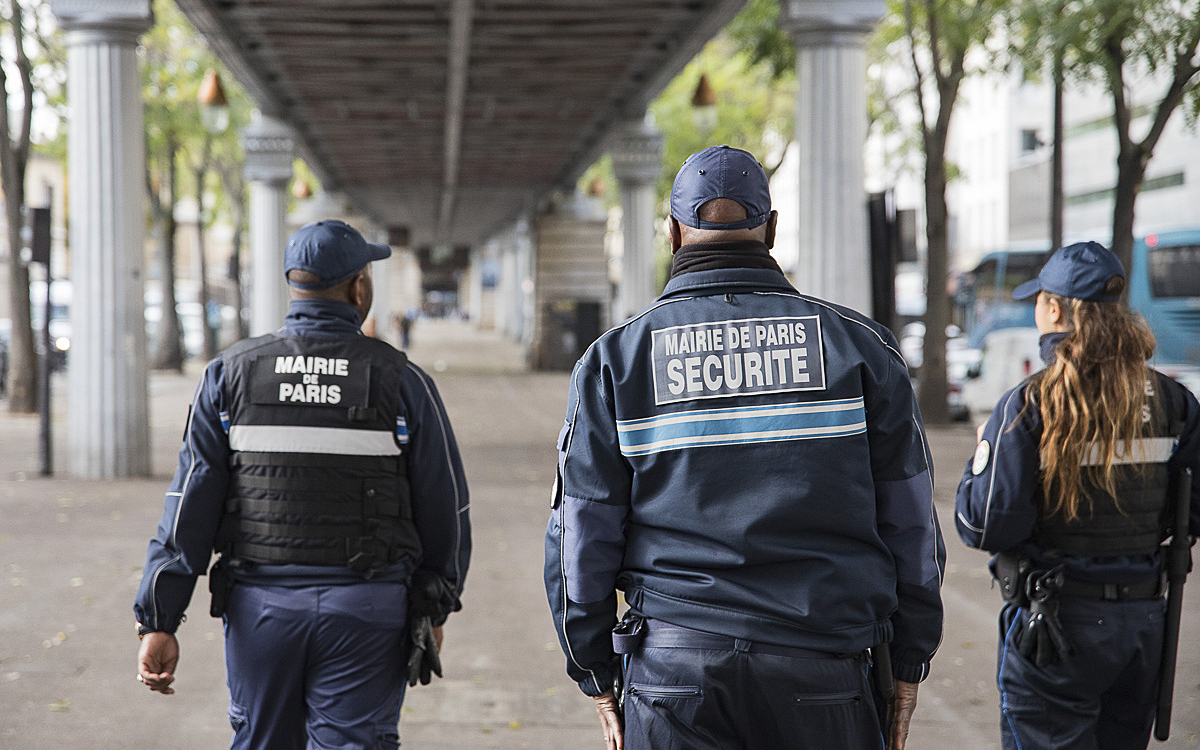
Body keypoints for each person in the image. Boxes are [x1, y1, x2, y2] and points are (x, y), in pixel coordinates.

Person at [544, 145, 945, 750]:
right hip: (825, 670)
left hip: (675, 675)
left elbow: (582, 534)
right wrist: (910, 660)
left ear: (674, 233)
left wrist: (595, 669)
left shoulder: (614, 361)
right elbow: (912, 524)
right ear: (773, 230)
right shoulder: (860, 347)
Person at [133, 219, 471, 750]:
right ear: (359, 288)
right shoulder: (402, 380)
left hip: (260, 609)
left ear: (295, 284)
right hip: (367, 613)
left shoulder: (231, 376)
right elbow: (444, 504)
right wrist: (434, 604)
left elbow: (189, 504)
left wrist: (159, 618)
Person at [954, 241, 1200, 750]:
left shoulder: (1029, 403)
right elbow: (1191, 512)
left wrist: (980, 466)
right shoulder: (1174, 400)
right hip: (1142, 627)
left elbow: (987, 525)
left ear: (1054, 309)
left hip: (1057, 631)